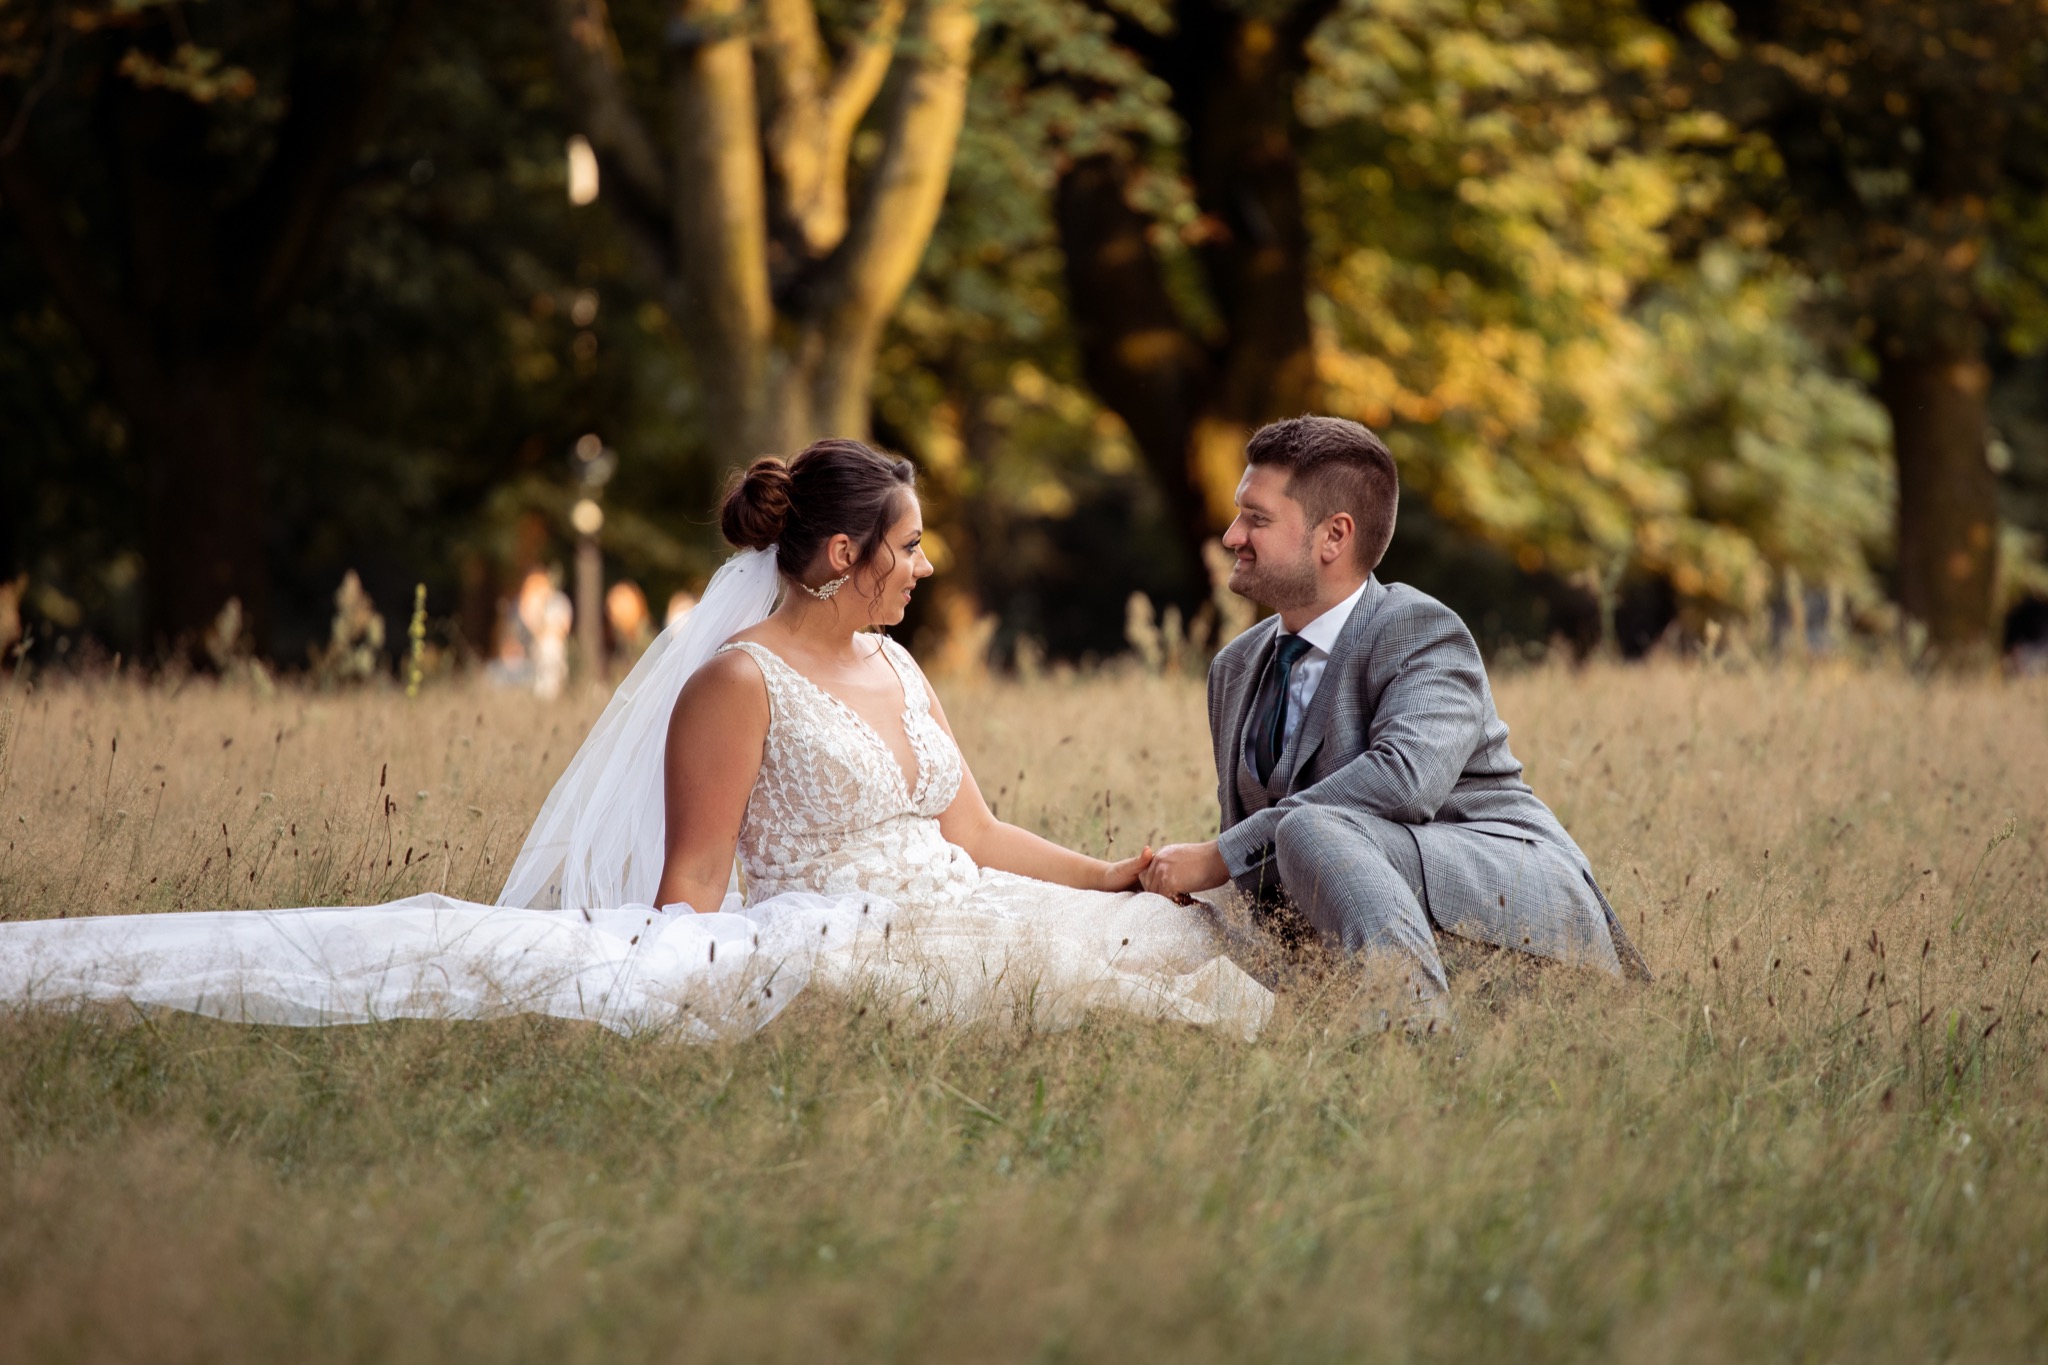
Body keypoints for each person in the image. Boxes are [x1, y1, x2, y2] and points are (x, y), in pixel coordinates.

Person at [0, 439, 1271, 1042]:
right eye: (909, 545)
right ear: (841, 556)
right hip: (831, 927)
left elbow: (975, 832)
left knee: (1162, 937)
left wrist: (1107, 871)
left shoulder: (891, 662)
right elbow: (696, 884)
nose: (926, 566)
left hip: (959, 900)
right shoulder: (736, 682)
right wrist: (677, 978)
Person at [1141, 416, 1651, 1030]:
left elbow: (1405, 779)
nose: (1231, 535)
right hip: (1360, 933)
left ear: (1333, 537)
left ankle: (1417, 1046)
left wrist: (1223, 855)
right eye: (1237, 515)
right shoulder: (1234, 667)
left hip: (1514, 912)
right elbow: (1261, 853)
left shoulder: (1421, 631)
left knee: (1310, 831)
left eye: (1257, 518)